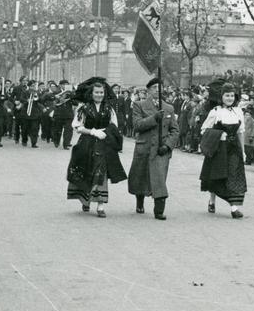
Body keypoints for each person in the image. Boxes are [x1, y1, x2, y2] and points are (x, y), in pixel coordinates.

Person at [66, 78, 127, 218]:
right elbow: (77, 126)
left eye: (101, 92)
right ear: (91, 93)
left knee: (101, 172)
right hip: (87, 142)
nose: (99, 94)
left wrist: (106, 132)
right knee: (86, 170)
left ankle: (100, 205)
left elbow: (114, 125)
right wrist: (93, 131)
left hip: (104, 143)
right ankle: (85, 200)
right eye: (96, 92)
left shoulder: (109, 108)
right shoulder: (84, 108)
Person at [128, 78, 179, 220]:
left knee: (159, 179)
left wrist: (168, 146)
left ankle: (159, 210)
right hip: (144, 147)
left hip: (161, 150)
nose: (158, 89)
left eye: (160, 87)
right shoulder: (139, 105)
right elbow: (137, 125)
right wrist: (154, 118)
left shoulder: (169, 108)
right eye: (155, 87)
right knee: (140, 177)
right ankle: (140, 201)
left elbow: (175, 130)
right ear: (148, 90)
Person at [199, 82, 248, 218]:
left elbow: (240, 133)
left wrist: (243, 151)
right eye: (227, 95)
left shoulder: (238, 111)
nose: (230, 98)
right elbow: (204, 130)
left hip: (234, 149)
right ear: (221, 97)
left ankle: (234, 208)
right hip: (219, 149)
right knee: (218, 176)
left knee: (233, 177)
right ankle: (212, 200)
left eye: (232, 95)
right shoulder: (215, 112)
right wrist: (219, 134)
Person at [16, 80, 43, 148]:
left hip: (34, 113)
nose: (33, 87)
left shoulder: (37, 92)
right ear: (29, 86)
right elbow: (21, 99)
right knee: (25, 128)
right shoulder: (25, 92)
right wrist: (27, 100)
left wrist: (37, 96)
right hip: (26, 113)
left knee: (35, 128)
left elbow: (41, 100)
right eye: (32, 86)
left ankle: (34, 143)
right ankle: (24, 140)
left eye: (34, 86)